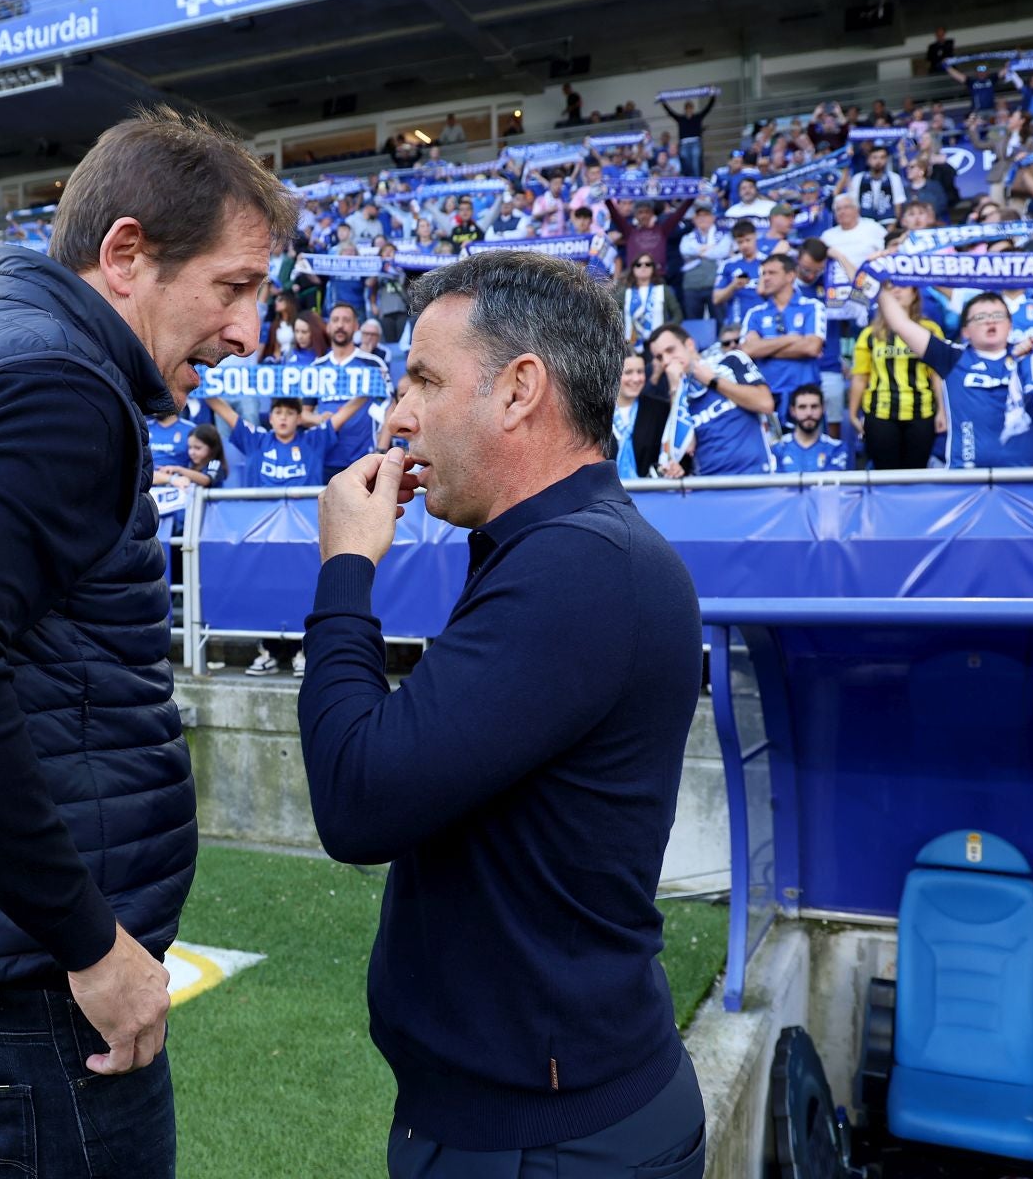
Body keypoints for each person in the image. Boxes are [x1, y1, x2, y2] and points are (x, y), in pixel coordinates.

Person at [0, 108, 298, 1176]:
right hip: (24, 998)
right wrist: (90, 940)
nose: (249, 334)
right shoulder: (59, 388)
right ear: (126, 253)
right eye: (232, 288)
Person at [299, 250, 705, 1177]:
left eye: (424, 380)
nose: (397, 416)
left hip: (547, 1141)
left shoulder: (580, 566)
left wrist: (346, 571)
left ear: (521, 388)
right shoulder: (565, 551)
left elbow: (358, 799)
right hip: (534, 1115)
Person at [872, 264, 1033, 468]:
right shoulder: (952, 357)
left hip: (1025, 478)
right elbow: (900, 323)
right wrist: (878, 276)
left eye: (998, 316)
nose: (990, 321)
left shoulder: (1032, 350)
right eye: (980, 317)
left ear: (1010, 325)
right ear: (966, 331)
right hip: (967, 479)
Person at [206, 392, 369, 678]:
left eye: (289, 413)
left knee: (302, 591)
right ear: (270, 417)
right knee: (262, 591)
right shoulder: (257, 439)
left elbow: (349, 410)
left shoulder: (313, 441)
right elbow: (218, 405)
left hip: (303, 537)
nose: (283, 417)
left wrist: (368, 387)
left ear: (299, 417)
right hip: (262, 537)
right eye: (278, 412)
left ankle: (300, 652)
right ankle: (267, 652)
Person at [647, 324, 776, 477]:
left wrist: (713, 381)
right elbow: (687, 447)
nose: (666, 361)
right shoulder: (674, 392)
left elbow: (765, 403)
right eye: (660, 357)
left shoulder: (730, 361)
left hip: (756, 476)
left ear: (689, 345)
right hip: (710, 486)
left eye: (670, 350)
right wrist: (676, 389)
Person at [850, 283, 946, 469]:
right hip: (880, 413)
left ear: (915, 293)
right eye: (889, 287)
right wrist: (854, 414)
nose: (896, 290)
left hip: (922, 411)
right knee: (885, 474)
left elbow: (937, 374)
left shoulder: (931, 329)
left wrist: (942, 411)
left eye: (902, 285)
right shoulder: (869, 334)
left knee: (916, 473)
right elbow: (860, 377)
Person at [740, 253, 826, 426]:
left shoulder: (812, 306)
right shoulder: (755, 313)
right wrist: (791, 339)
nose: (766, 278)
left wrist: (765, 349)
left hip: (804, 397)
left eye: (772, 273)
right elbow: (748, 351)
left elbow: (811, 348)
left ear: (790, 275)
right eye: (764, 273)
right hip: (766, 397)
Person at [306, 302, 390, 475]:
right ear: (328, 326)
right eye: (335, 320)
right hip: (324, 457)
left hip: (363, 458)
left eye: (346, 320)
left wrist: (381, 449)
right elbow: (303, 413)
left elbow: (390, 407)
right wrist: (318, 419)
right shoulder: (316, 368)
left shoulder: (373, 364)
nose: (340, 325)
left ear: (356, 326)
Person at [611, 353, 673, 480]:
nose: (636, 379)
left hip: (649, 495)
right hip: (606, 496)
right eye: (628, 372)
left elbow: (670, 455)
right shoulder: (595, 413)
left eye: (640, 372)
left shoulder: (660, 410)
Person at [772, 386, 851, 471]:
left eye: (814, 406)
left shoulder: (836, 448)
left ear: (823, 409)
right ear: (793, 411)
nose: (809, 413)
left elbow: (832, 483)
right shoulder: (777, 448)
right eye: (802, 407)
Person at [614, 254, 682, 352]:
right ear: (633, 268)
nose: (643, 267)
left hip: (658, 343)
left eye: (647, 264)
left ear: (653, 268)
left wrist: (665, 331)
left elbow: (678, 315)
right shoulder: (625, 292)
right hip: (630, 346)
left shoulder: (663, 290)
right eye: (639, 264)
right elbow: (609, 308)